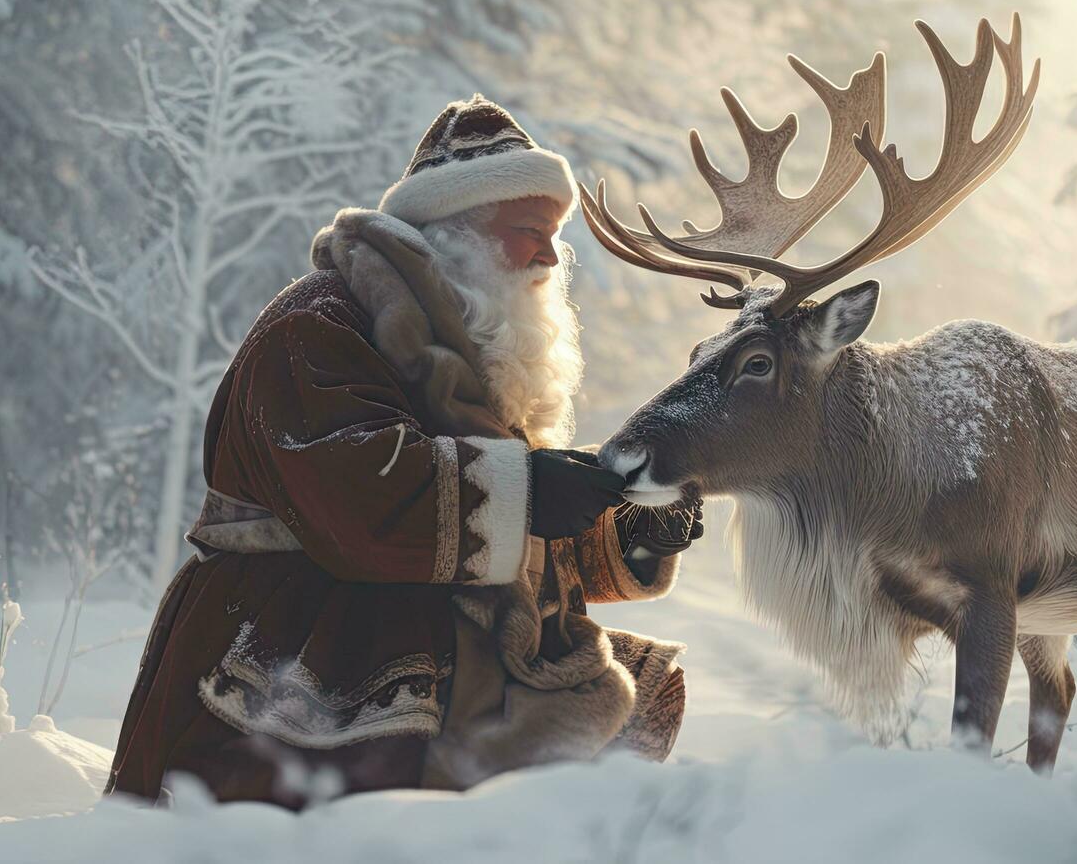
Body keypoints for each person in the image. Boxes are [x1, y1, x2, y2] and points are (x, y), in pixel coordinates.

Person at [106, 95, 701, 807]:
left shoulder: (460, 344)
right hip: (298, 647)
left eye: (554, 234)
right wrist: (531, 489)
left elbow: (499, 531)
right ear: (452, 231)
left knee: (643, 695)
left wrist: (622, 533)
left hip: (409, 639)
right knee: (460, 794)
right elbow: (360, 499)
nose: (549, 257)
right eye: (527, 232)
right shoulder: (316, 324)